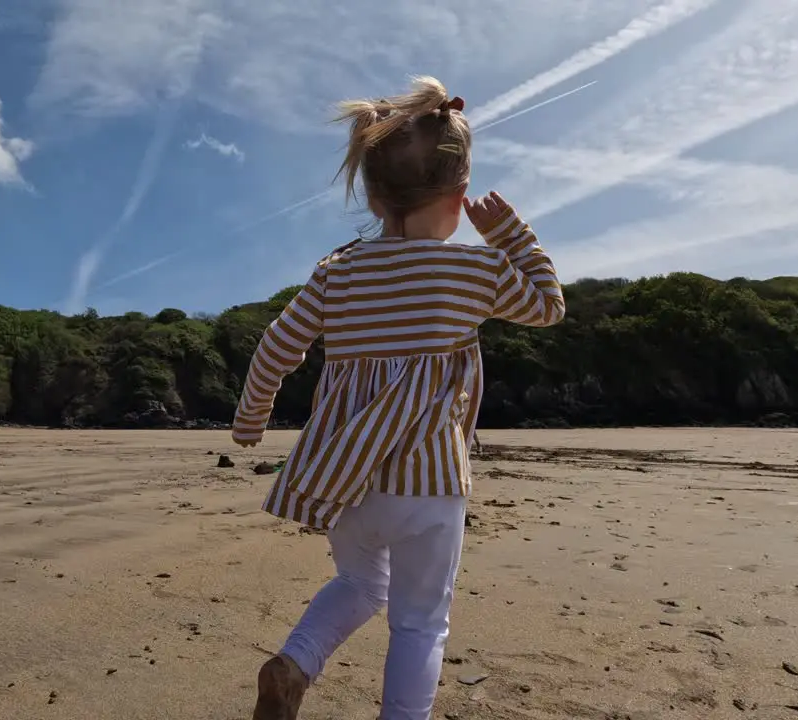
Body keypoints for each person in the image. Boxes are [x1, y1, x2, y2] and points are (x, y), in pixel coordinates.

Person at [231, 76, 565, 720]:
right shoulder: (476, 270)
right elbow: (550, 306)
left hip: (350, 480)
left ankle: (295, 663)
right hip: (431, 483)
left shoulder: (339, 271)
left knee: (359, 583)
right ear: (461, 196)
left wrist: (252, 420)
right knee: (419, 624)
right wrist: (511, 236)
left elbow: (276, 346)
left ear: (375, 197)